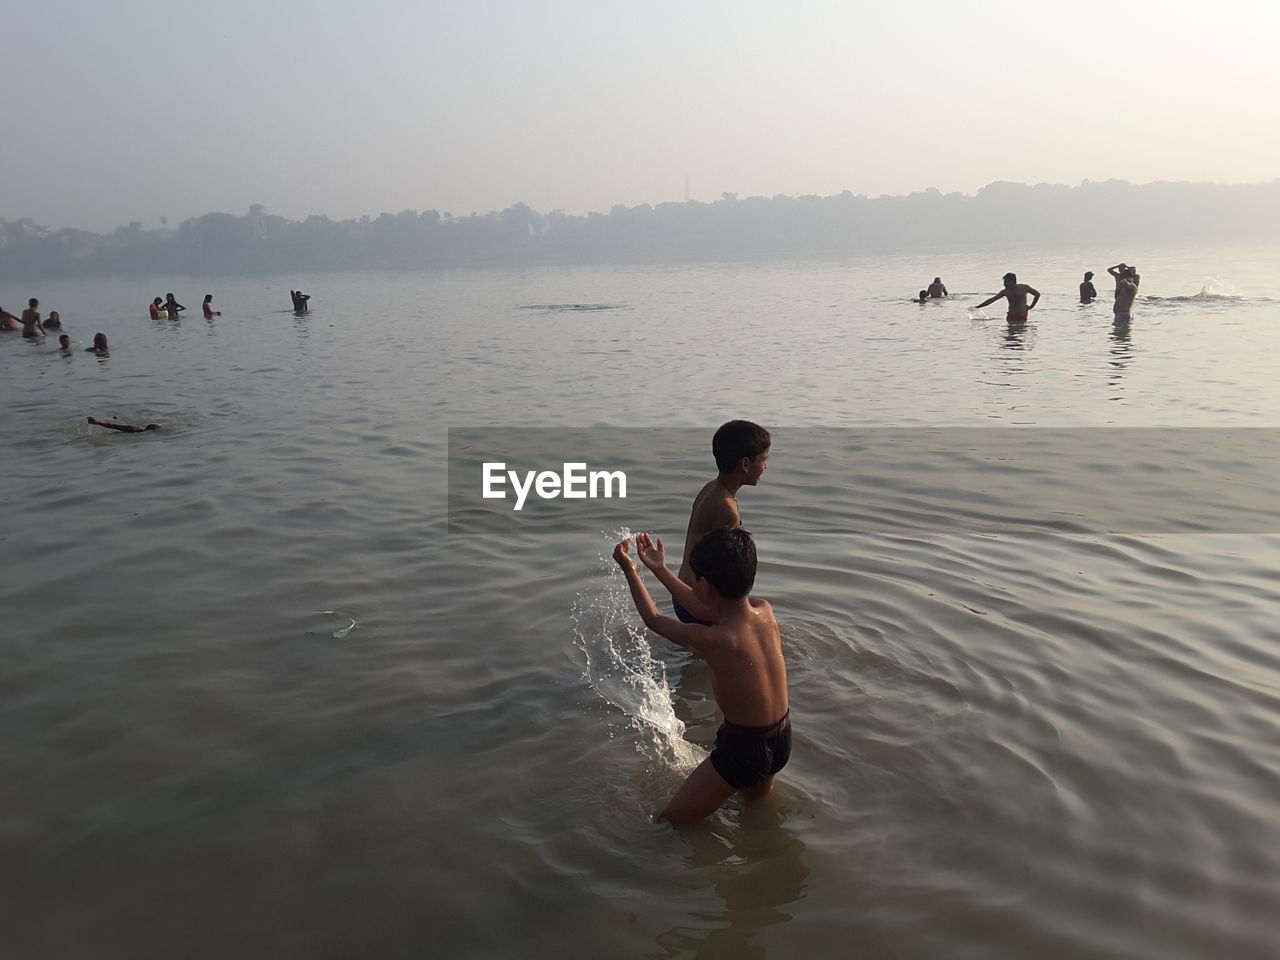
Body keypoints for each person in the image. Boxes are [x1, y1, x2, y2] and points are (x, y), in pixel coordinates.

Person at [613, 527, 789, 824]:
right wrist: (659, 569)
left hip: (744, 749)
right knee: (756, 812)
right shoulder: (764, 611)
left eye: (694, 579)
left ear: (705, 585)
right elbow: (702, 604)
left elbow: (654, 619)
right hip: (781, 736)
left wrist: (630, 569)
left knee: (668, 823)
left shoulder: (717, 639)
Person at [671, 420, 771, 625]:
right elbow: (730, 571)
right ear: (745, 464)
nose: (765, 466)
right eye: (763, 460)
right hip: (699, 603)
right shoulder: (726, 508)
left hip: (684, 592)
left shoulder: (711, 489)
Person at [975, 273, 1041, 322]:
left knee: (1020, 336)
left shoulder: (1024, 287)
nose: (1004, 284)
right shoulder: (1005, 292)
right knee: (1009, 338)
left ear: (1011, 282)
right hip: (1011, 316)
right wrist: (977, 307)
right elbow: (992, 300)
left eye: (1005, 282)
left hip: (1022, 316)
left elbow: (1037, 294)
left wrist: (1031, 306)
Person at [87, 416, 159, 433]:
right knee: (115, 426)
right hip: (130, 429)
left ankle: (116, 419)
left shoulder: (137, 429)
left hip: (134, 428)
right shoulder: (133, 430)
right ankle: (96, 422)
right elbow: (112, 426)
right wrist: (97, 423)